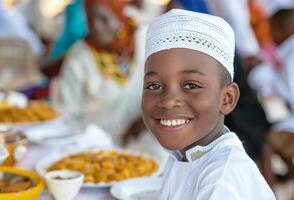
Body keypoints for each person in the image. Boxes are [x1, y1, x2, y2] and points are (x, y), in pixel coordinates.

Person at [141, 9, 275, 199]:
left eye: (191, 85)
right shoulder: (184, 155)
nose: (169, 101)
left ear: (226, 98)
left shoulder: (221, 181)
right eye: (154, 85)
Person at [53, 0, 143, 142]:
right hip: (91, 144)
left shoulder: (141, 41)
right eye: (90, 20)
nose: (96, 26)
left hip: (139, 137)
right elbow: (64, 114)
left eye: (104, 19)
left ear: (119, 17)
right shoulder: (79, 56)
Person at [248, 8, 294, 198]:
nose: (271, 37)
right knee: (274, 138)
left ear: (283, 30)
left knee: (268, 144)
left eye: (272, 31)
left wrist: (261, 75)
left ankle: (268, 194)